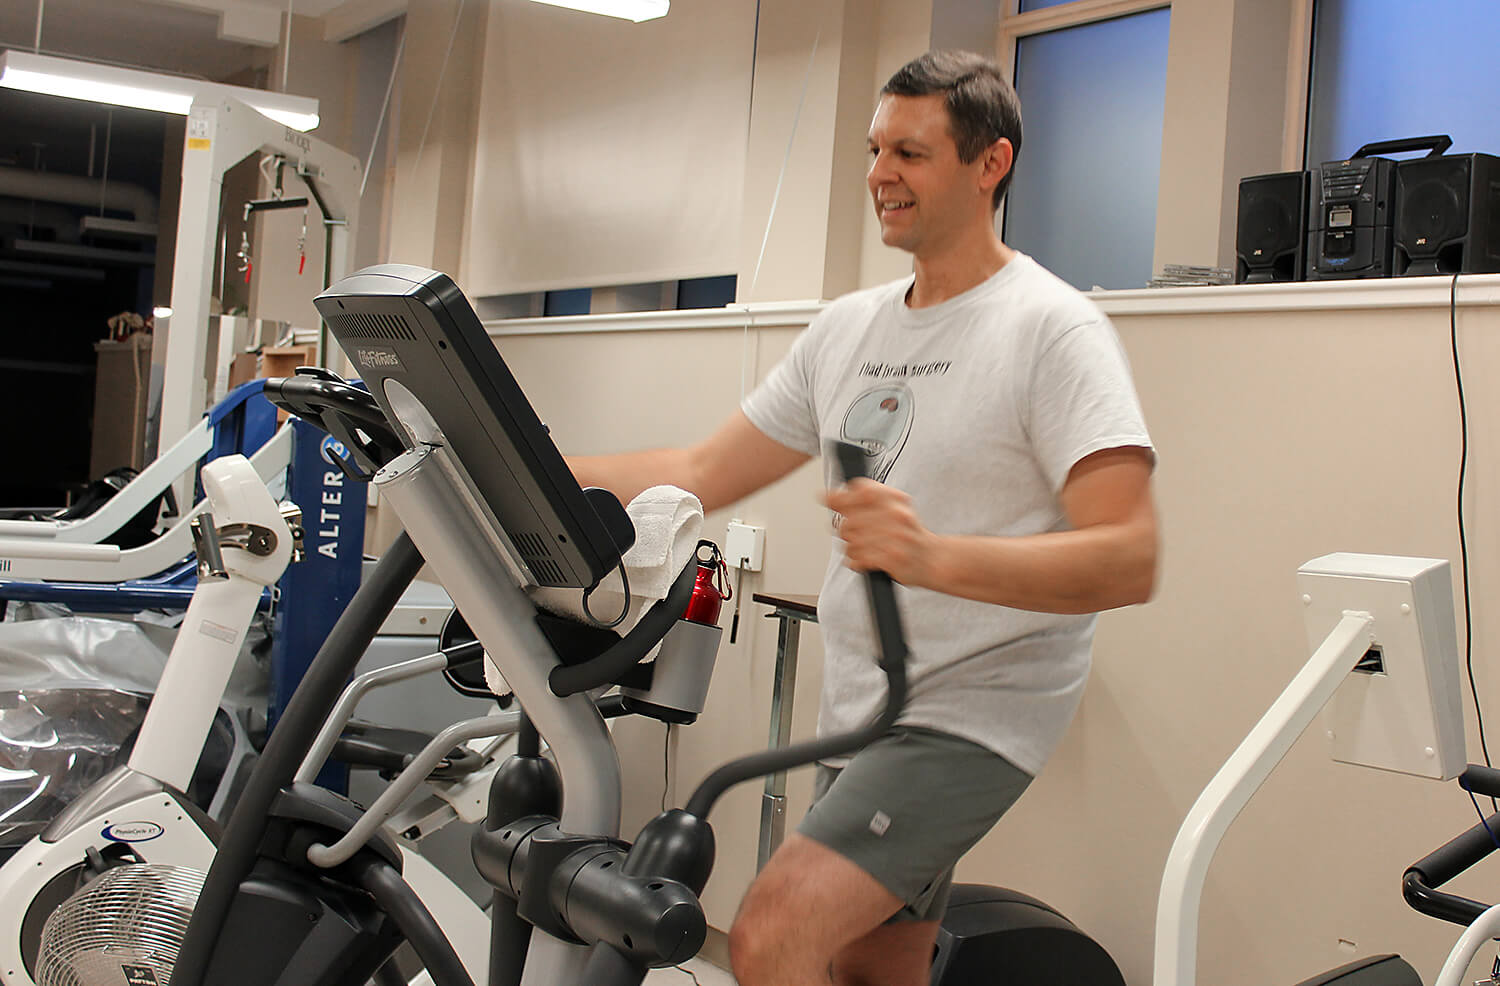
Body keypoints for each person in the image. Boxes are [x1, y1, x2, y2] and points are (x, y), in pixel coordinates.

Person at [569, 49, 1158, 986]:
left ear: (990, 164)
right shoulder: (850, 328)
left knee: (772, 936)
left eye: (912, 154)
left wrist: (934, 556)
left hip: (971, 711)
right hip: (865, 702)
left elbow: (1130, 557)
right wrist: (532, 460)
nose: (881, 174)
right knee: (868, 967)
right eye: (877, 149)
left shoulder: (1052, 329)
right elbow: (701, 469)